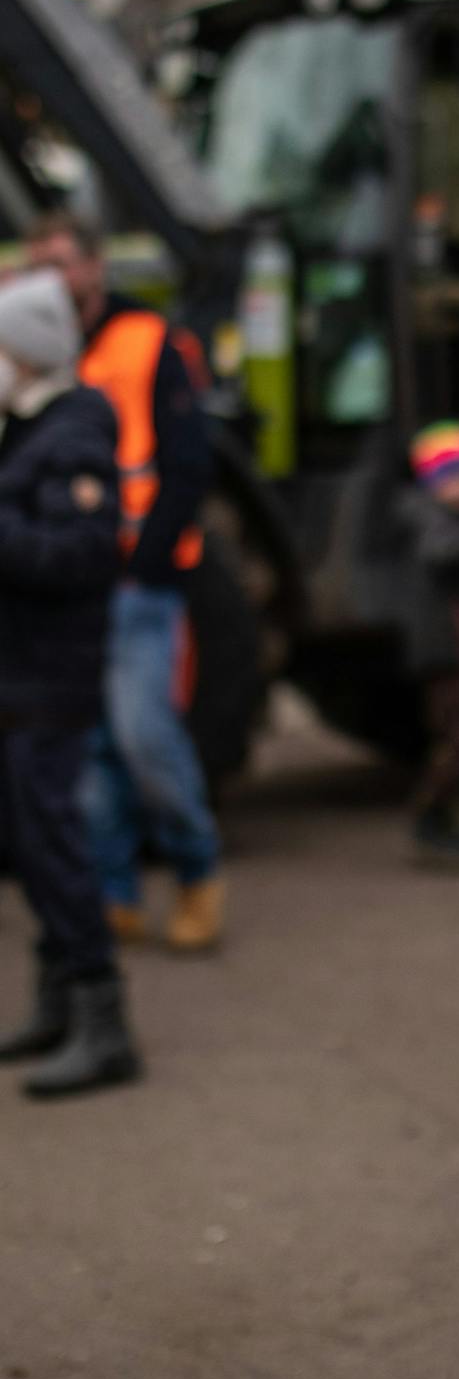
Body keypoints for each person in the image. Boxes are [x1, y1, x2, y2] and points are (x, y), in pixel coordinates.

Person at [27, 212, 225, 951]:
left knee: (144, 737)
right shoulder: (42, 353)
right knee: (92, 750)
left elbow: (186, 464)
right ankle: (115, 893)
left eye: (61, 263)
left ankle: (196, 870)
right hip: (71, 585)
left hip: (137, 583)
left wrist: (143, 566)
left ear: (94, 267)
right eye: (36, 263)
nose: (50, 278)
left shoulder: (149, 343)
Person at [0, 270, 143, 1097]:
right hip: (18, 674)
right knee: (29, 841)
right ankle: (57, 1000)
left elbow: (82, 554)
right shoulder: (26, 428)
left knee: (54, 840)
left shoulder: (74, 429)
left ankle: (102, 1020)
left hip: (47, 676)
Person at [399, 422, 459, 868]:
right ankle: (431, 816)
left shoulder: (456, 521)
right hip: (442, 655)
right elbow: (441, 554)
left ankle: (442, 818)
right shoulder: (429, 519)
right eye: (453, 477)